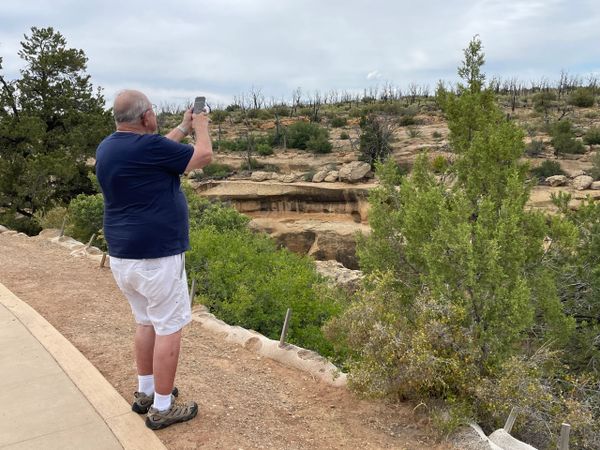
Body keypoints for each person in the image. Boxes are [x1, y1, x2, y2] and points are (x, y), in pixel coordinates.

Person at [95, 89, 212, 430]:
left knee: (146, 321)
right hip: (157, 258)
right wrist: (201, 126)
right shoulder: (149, 148)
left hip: (123, 257)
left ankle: (146, 391)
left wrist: (182, 127)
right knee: (169, 327)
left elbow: (159, 149)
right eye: (154, 113)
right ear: (146, 116)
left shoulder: (109, 147)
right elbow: (202, 156)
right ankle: (162, 407)